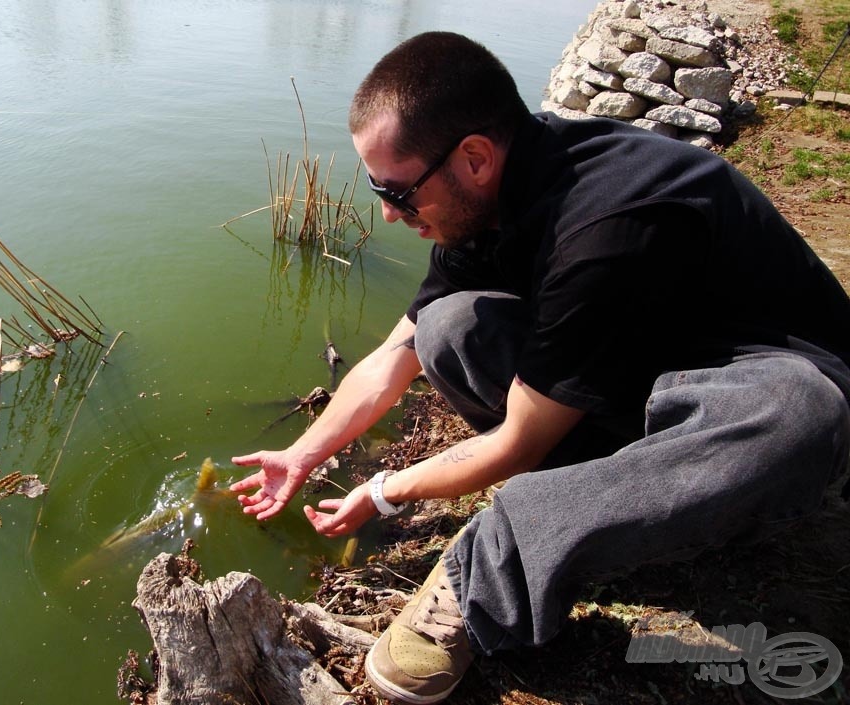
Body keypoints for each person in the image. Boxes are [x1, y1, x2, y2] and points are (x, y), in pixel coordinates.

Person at [230, 31, 850, 704]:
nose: (385, 213)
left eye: (398, 191)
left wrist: (384, 490)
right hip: (636, 371)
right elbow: (390, 358)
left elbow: (517, 440)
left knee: (798, 415)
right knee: (446, 328)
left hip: (748, 383)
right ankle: (616, 493)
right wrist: (303, 451)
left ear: (473, 157)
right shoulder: (490, 199)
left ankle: (492, 568)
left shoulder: (606, 222)